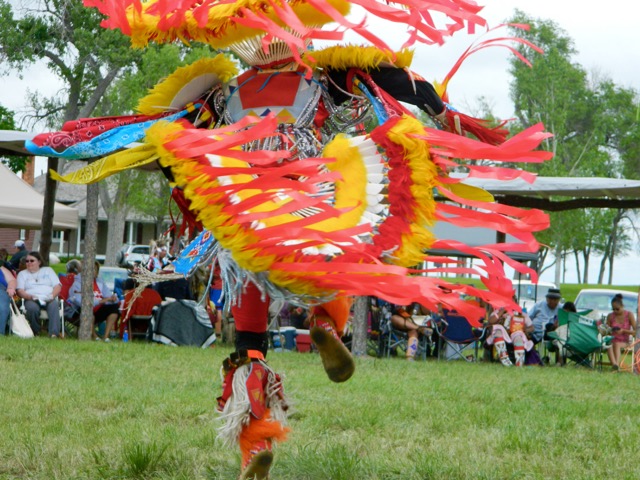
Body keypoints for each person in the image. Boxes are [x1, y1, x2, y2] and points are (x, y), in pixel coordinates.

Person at [70, 261, 120, 341]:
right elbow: (79, 302)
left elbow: (108, 296)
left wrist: (113, 298)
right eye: (91, 269)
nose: (94, 271)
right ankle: (94, 336)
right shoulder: (78, 283)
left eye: (95, 269)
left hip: (98, 309)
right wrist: (100, 301)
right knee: (89, 311)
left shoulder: (100, 282)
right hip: (81, 311)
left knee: (114, 308)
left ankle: (106, 336)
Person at [16, 251, 62, 337]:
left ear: (39, 262)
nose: (29, 263)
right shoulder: (22, 274)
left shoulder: (48, 270)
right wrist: (29, 296)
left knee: (54, 305)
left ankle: (54, 334)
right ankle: (35, 332)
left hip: (48, 297)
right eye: (27, 261)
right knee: (32, 308)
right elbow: (20, 290)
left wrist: (52, 295)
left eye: (32, 261)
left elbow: (58, 286)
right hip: (31, 298)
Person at [486, 303, 534, 367]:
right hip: (501, 335)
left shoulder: (520, 314)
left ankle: (519, 362)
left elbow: (531, 328)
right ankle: (504, 359)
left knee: (518, 337)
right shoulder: (498, 311)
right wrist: (502, 311)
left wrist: (524, 329)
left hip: (516, 334)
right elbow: (491, 321)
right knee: (498, 331)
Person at [606, 293, 637, 371]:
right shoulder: (610, 316)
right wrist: (611, 330)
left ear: (622, 306)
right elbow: (607, 330)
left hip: (624, 341)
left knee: (616, 344)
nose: (615, 311)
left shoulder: (629, 315)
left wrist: (623, 331)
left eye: (617, 309)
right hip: (612, 339)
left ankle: (615, 365)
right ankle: (615, 365)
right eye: (613, 309)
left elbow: (635, 331)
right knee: (608, 345)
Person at [0, 250, 17, 335]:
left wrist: (10, 287)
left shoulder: (2, 269)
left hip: (1, 290)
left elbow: (12, 280)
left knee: (2, 306)